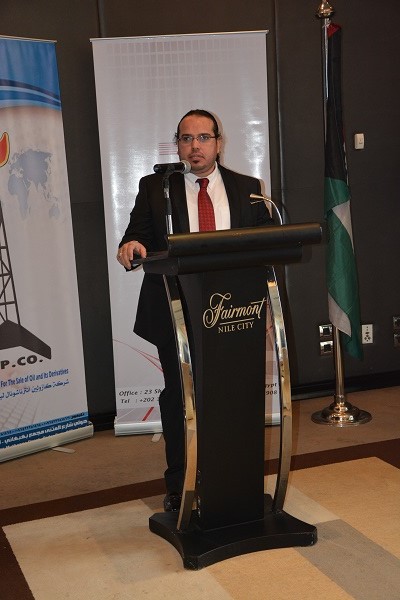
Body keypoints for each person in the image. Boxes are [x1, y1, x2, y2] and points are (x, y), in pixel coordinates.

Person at [117, 109, 272, 512]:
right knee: (181, 396)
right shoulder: (156, 187)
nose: (195, 146)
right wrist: (131, 245)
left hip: (233, 311)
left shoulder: (249, 188)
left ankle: (233, 479)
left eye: (204, 137)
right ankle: (180, 484)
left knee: (233, 394)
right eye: (186, 138)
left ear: (219, 142)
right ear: (178, 145)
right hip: (175, 309)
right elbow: (136, 234)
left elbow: (265, 248)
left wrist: (263, 302)